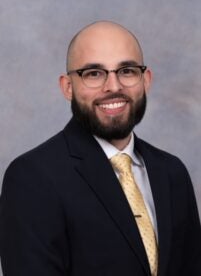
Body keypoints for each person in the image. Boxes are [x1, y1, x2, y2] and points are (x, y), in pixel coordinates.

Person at [0, 21, 201, 276]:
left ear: (145, 80)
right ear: (67, 87)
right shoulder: (32, 177)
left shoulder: (172, 173)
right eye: (94, 73)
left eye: (126, 70)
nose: (114, 86)